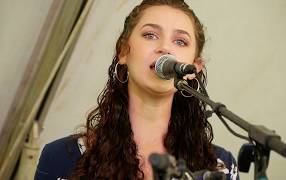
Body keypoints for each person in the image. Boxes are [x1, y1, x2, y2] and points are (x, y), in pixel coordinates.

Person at [34, 0, 239, 180]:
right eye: (150, 35)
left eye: (180, 41)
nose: (165, 48)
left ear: (194, 68)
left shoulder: (220, 168)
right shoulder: (61, 155)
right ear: (123, 52)